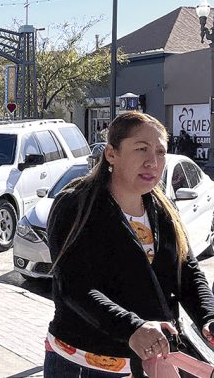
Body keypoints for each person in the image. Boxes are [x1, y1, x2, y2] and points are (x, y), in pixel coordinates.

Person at [45, 111, 214, 377]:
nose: (153, 162)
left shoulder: (162, 207)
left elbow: (187, 271)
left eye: (160, 152)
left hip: (150, 363)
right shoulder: (76, 205)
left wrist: (208, 316)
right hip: (84, 364)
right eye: (141, 149)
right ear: (111, 153)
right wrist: (133, 328)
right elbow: (75, 287)